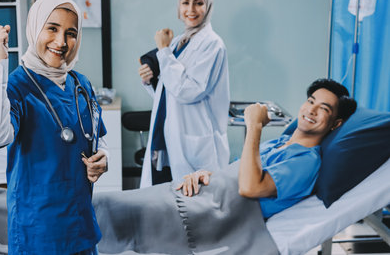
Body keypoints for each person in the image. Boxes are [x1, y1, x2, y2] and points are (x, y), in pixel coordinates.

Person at [92, 78, 357, 254]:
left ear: (335, 124)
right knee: (104, 205)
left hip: (213, 214)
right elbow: (240, 169)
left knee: (110, 210)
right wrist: (206, 174)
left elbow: (251, 187)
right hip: (203, 193)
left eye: (323, 108)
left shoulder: (306, 161)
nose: (311, 110)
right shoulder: (281, 143)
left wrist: (253, 125)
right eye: (311, 101)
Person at [0, 0, 108, 254]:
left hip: (81, 227)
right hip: (37, 233)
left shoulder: (81, 84)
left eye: (71, 32)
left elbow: (96, 136)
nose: (61, 42)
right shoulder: (15, 86)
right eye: (52, 28)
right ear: (35, 27)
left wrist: (103, 158)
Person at [137, 0, 230, 187]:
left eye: (198, 2)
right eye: (185, 3)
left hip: (197, 143)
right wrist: (150, 80)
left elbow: (187, 91)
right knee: (171, 204)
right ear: (179, 7)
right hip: (172, 136)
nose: (191, 9)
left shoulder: (213, 45)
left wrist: (163, 50)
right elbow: (169, 93)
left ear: (208, 6)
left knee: (195, 206)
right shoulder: (180, 40)